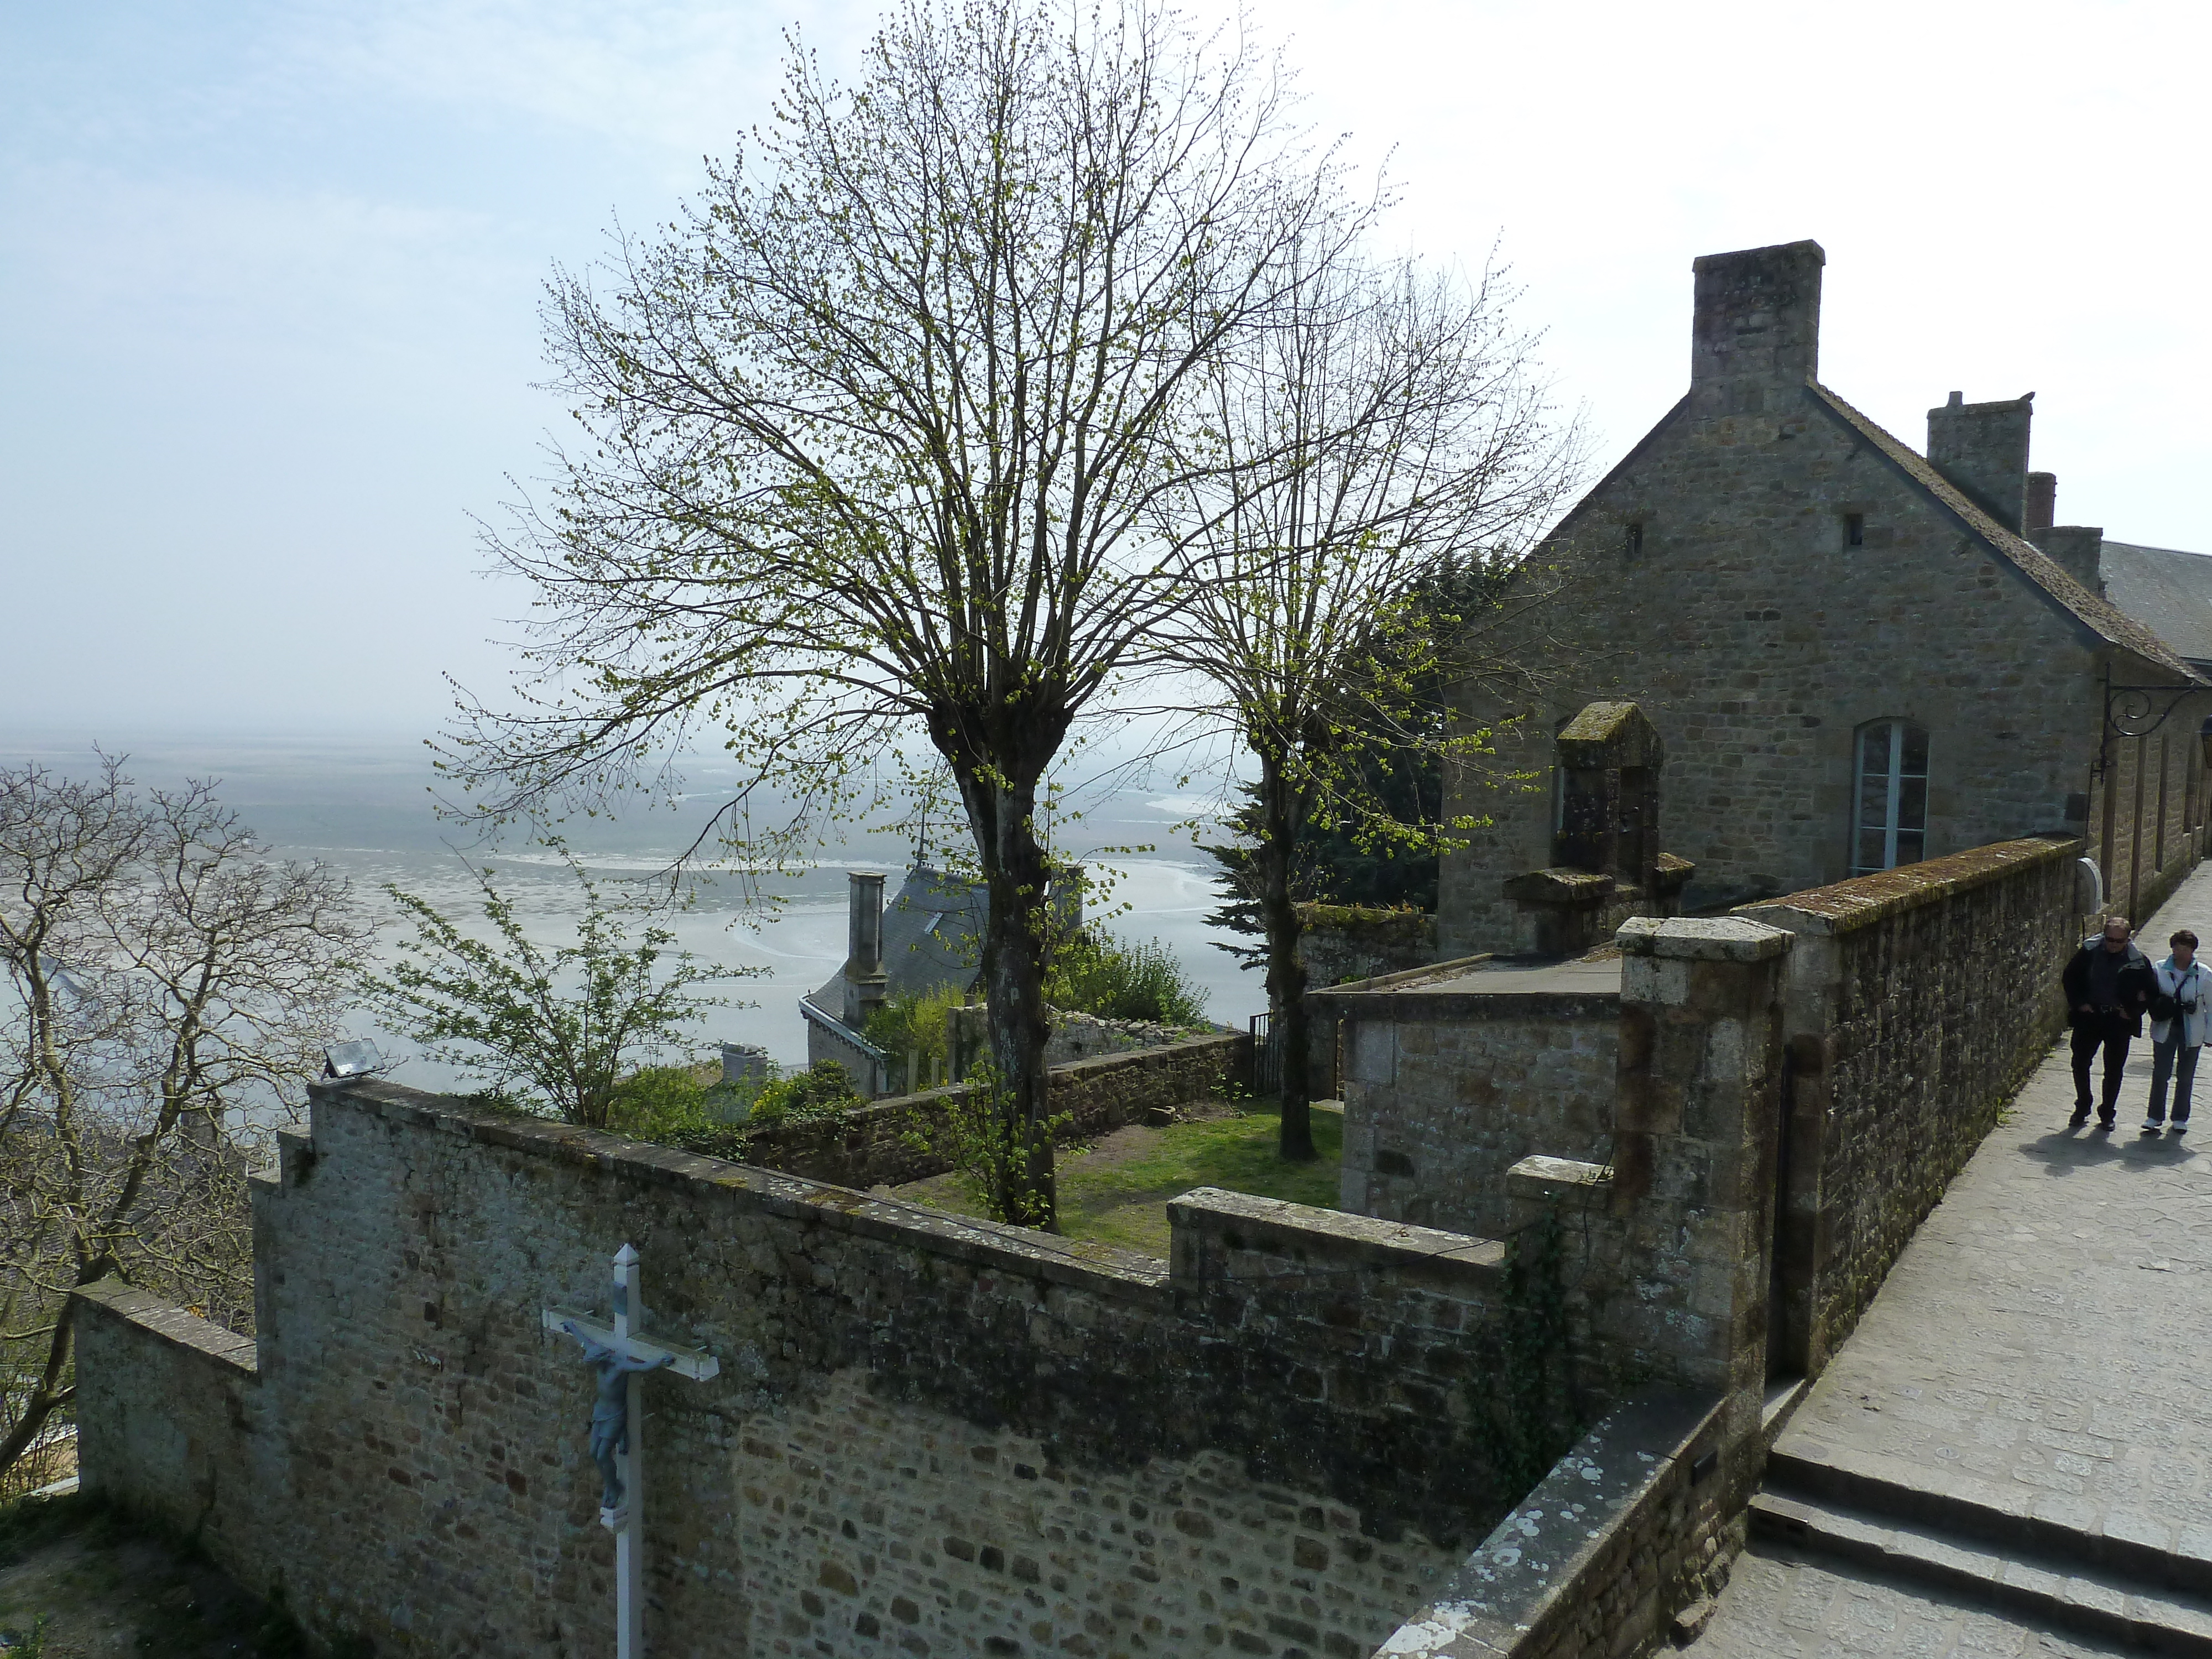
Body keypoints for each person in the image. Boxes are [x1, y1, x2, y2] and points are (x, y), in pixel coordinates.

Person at [2061, 915, 2155, 1129]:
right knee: (2080, 1063)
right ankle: (2083, 1105)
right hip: (2090, 1017)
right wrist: (2080, 1003)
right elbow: (2070, 977)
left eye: (2118, 941)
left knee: (2113, 1070)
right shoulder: (2089, 953)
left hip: (2118, 1022)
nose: (2113, 945)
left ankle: (2107, 1113)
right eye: (2110, 939)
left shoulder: (2138, 962)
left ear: (2127, 940)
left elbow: (2150, 991)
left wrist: (2132, 1012)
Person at [2145, 928, 2206, 1134]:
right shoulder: (2160, 968)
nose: (2181, 952)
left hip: (2192, 1031)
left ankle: (2180, 1117)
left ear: (2193, 950)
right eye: (2177, 947)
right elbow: (2152, 995)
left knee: (2186, 1076)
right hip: (2166, 1028)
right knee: (2161, 1074)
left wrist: (2210, 1035)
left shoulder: (2204, 973)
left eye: (2185, 948)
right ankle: (2154, 1116)